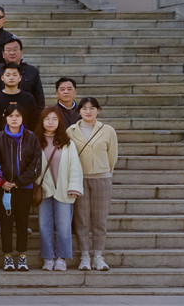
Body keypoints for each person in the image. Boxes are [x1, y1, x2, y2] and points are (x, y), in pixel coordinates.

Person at [69, 96, 118, 271]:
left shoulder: (108, 130)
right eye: (84, 108)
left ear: (98, 110)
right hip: (79, 179)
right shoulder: (71, 131)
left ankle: (98, 256)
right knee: (81, 219)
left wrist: (105, 172)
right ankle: (84, 256)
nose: (88, 112)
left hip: (102, 178)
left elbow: (112, 156)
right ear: (79, 111)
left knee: (100, 220)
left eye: (92, 108)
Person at [0, 103, 40, 271]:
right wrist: (2, 182)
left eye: (17, 116)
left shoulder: (31, 137)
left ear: (22, 118)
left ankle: (22, 256)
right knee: (5, 222)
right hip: (4, 188)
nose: (14, 119)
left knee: (22, 222)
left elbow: (35, 164)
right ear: (6, 118)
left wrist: (19, 182)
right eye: (11, 116)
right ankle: (7, 257)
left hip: (24, 188)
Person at [36, 105, 84, 271]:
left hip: (64, 189)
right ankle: (48, 258)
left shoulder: (67, 143)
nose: (50, 122)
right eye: (47, 119)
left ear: (59, 122)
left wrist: (74, 187)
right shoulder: (36, 141)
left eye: (54, 119)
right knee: (44, 226)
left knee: (64, 226)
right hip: (43, 190)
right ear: (42, 121)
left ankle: (61, 258)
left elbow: (75, 166)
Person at [0, 64, 40, 129]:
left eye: (14, 75)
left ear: (20, 78)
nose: (11, 77)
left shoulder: (28, 98)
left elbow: (34, 120)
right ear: (2, 78)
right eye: (8, 75)